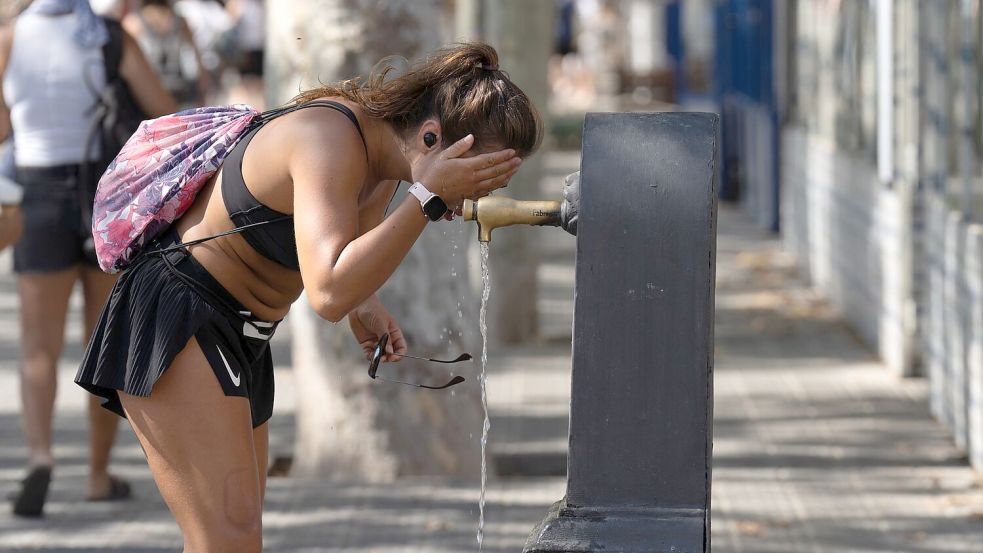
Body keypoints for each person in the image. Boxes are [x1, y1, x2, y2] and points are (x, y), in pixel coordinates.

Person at [75, 42, 540, 551]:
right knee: (225, 540)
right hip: (179, 315)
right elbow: (327, 292)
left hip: (242, 332)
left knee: (235, 537)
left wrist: (368, 304)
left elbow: (340, 259)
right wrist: (426, 198)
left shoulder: (385, 161)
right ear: (431, 137)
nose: (471, 202)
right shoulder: (330, 137)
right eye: (472, 181)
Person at [0, 0, 176, 517]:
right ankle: (98, 476)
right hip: (105, 196)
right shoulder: (108, 34)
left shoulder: (8, 38)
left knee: (39, 344)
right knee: (102, 343)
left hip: (36, 195)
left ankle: (40, 455)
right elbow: (162, 112)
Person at [124, 0, 210, 106]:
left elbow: (196, 57)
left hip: (179, 90)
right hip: (160, 92)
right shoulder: (135, 25)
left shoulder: (179, 21)